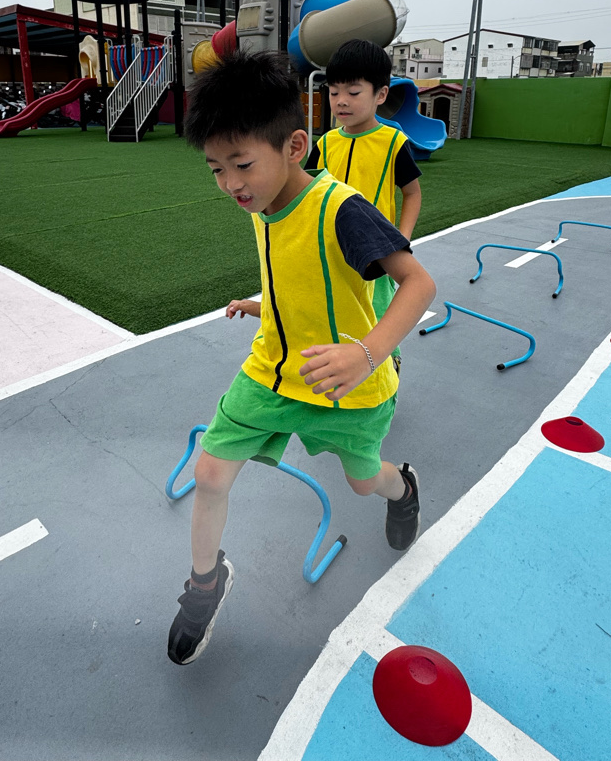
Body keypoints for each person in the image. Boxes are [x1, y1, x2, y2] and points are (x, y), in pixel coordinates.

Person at [167, 50, 436, 666]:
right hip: (271, 372)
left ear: (294, 147)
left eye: (241, 164)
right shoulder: (261, 204)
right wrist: (262, 303)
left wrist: (366, 354)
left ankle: (403, 488)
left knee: (364, 482)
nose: (230, 184)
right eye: (215, 169)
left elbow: (420, 284)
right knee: (210, 474)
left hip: (346, 382)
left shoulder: (342, 209)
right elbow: (301, 278)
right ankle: (205, 584)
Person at [306, 39, 423, 365]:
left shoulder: (393, 142)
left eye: (354, 92)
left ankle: (388, 369)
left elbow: (412, 193)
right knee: (334, 312)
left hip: (376, 253)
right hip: (331, 250)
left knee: (379, 317)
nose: (341, 101)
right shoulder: (326, 144)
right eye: (333, 92)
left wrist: (401, 240)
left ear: (380, 95)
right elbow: (307, 191)